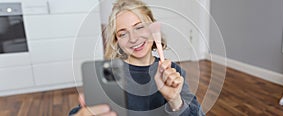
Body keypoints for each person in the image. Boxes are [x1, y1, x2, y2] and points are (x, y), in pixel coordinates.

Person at [69, 0, 205, 115]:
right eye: (123, 34)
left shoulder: (173, 72)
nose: (133, 38)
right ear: (117, 42)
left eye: (139, 27)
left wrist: (175, 101)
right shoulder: (109, 74)